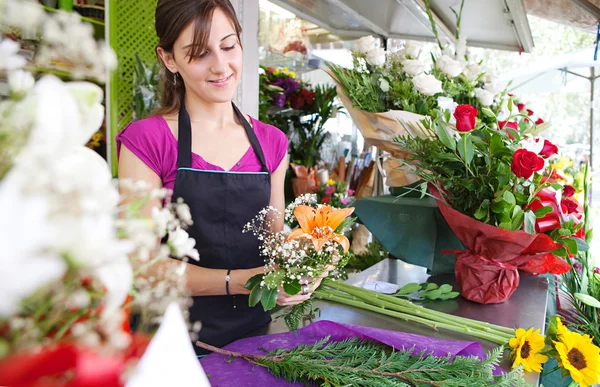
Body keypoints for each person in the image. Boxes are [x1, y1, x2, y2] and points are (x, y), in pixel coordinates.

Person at [117, 0, 326, 354]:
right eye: (199, 54)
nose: (220, 66)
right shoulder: (147, 140)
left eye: (228, 46)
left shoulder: (270, 142)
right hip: (169, 345)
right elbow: (142, 266)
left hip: (255, 339)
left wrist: (306, 260)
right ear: (170, 59)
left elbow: (272, 238)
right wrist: (243, 281)